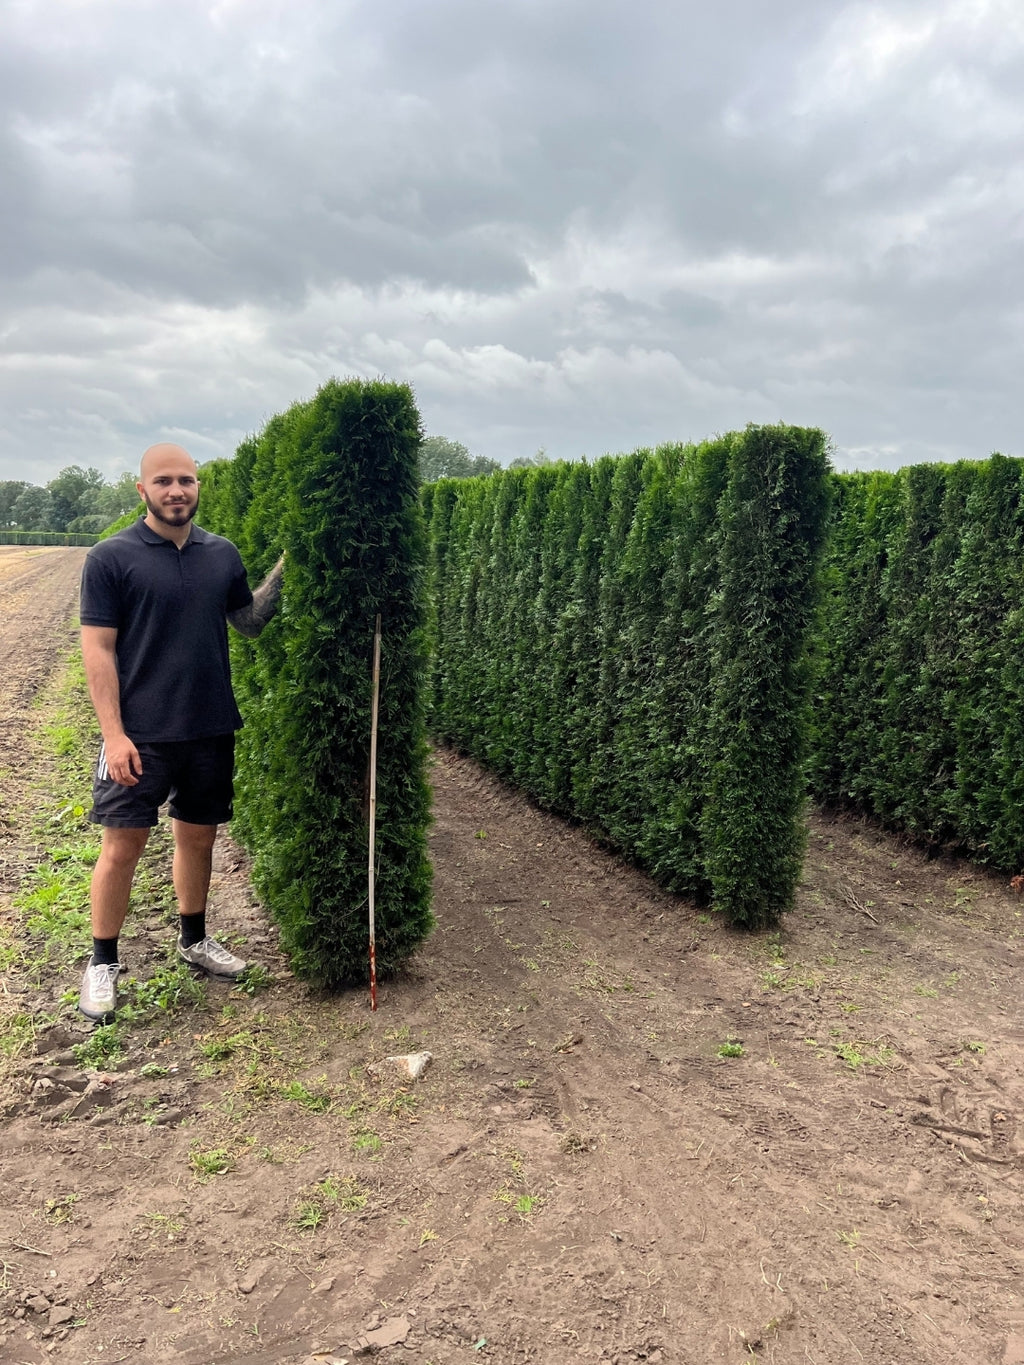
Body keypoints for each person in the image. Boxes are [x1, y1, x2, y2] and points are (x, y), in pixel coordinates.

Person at [77, 442, 284, 1022]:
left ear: (197, 487)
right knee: (122, 846)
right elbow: (98, 650)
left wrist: (294, 563)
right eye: (164, 481)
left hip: (209, 727)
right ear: (142, 489)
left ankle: (194, 940)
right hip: (138, 735)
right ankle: (102, 962)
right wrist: (114, 735)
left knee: (199, 838)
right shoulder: (110, 558)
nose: (176, 491)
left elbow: (248, 622)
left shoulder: (222, 554)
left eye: (186, 480)